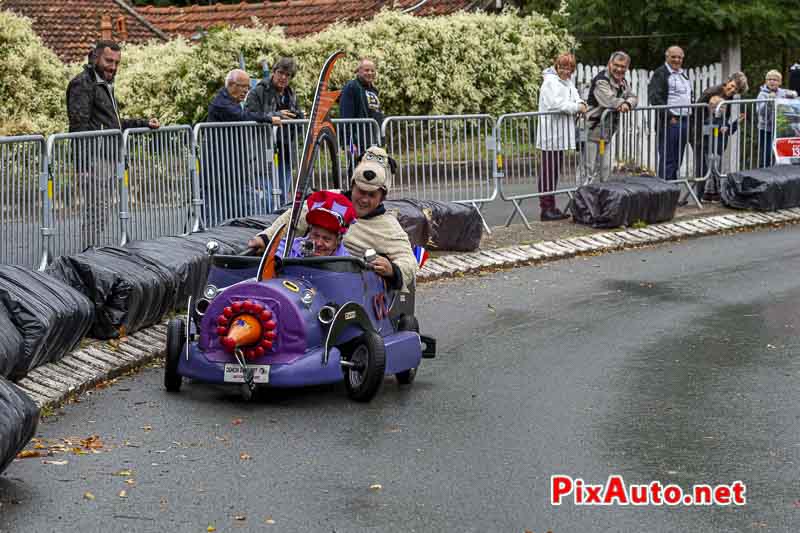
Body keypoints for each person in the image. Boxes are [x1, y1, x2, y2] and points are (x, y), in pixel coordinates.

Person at [248, 146, 417, 291]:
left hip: (348, 289)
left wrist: (393, 270)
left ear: (382, 197)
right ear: (352, 186)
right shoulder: (329, 200)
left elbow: (408, 261)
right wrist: (266, 238)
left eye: (371, 195)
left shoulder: (388, 226)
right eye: (360, 191)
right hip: (301, 278)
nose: (364, 199)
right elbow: (292, 219)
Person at [66, 40, 160, 244]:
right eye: (109, 61)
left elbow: (113, 123)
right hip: (94, 160)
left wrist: (144, 123)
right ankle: (88, 254)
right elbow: (78, 127)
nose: (113, 67)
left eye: (117, 62)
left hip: (107, 158)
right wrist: (83, 165)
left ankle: (90, 251)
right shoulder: (83, 83)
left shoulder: (105, 85)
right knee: (97, 210)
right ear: (95, 57)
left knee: (102, 210)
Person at [204, 69, 283, 225]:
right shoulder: (222, 103)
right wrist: (268, 118)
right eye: (243, 86)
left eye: (248, 87)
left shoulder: (230, 101)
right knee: (225, 209)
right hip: (220, 170)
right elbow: (243, 116)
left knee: (239, 205)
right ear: (232, 85)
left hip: (231, 169)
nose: (246, 91)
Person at [244, 57, 305, 205]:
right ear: (274, 72)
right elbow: (248, 115)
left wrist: (299, 117)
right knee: (269, 198)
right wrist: (275, 117)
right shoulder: (258, 91)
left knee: (283, 197)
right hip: (263, 152)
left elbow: (297, 117)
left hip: (286, 151)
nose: (283, 77)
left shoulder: (291, 93)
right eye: (280, 73)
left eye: (288, 75)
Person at [535, 52, 586, 221]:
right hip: (551, 133)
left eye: (569, 68)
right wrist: (577, 108)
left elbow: (576, 97)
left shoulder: (567, 82)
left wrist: (581, 103)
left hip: (561, 133)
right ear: (556, 66)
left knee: (554, 170)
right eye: (563, 67)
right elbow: (555, 104)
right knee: (548, 171)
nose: (566, 71)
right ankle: (546, 208)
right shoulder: (550, 82)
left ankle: (552, 206)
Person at [690, 72, 748, 201]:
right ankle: (699, 196)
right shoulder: (711, 92)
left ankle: (714, 194)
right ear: (728, 81)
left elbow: (725, 115)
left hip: (716, 135)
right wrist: (701, 130)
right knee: (702, 166)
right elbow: (697, 110)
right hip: (700, 133)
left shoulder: (730, 97)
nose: (732, 90)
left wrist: (725, 125)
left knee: (715, 165)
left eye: (736, 90)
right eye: (732, 86)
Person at [584, 51, 638, 182]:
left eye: (623, 66)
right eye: (616, 65)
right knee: (589, 168)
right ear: (609, 63)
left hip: (605, 133)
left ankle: (603, 198)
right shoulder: (601, 80)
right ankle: (581, 198)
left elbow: (634, 97)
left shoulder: (623, 82)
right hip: (592, 130)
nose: (619, 69)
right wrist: (622, 104)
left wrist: (627, 104)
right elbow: (609, 100)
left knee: (605, 167)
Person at [648, 46, 693, 180]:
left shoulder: (683, 75)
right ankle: (665, 194)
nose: (676, 60)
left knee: (678, 159)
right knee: (668, 159)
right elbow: (655, 98)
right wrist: (669, 117)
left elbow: (690, 95)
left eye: (679, 57)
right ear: (667, 57)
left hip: (686, 120)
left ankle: (672, 193)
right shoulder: (660, 73)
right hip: (671, 122)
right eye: (673, 57)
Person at [339, 58, 384, 171]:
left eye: (372, 70)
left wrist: (381, 139)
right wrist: (348, 143)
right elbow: (345, 116)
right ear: (358, 71)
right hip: (357, 141)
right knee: (357, 172)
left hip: (373, 140)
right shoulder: (352, 87)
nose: (370, 73)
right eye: (366, 70)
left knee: (373, 173)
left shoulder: (373, 90)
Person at [756, 70, 798, 168]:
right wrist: (769, 102)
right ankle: (763, 174)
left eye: (775, 80)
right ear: (766, 81)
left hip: (780, 130)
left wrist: (793, 94)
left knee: (778, 154)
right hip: (766, 129)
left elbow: (793, 94)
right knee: (766, 154)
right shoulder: (762, 94)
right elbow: (760, 112)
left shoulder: (782, 92)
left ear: (779, 82)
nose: (772, 82)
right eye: (769, 79)